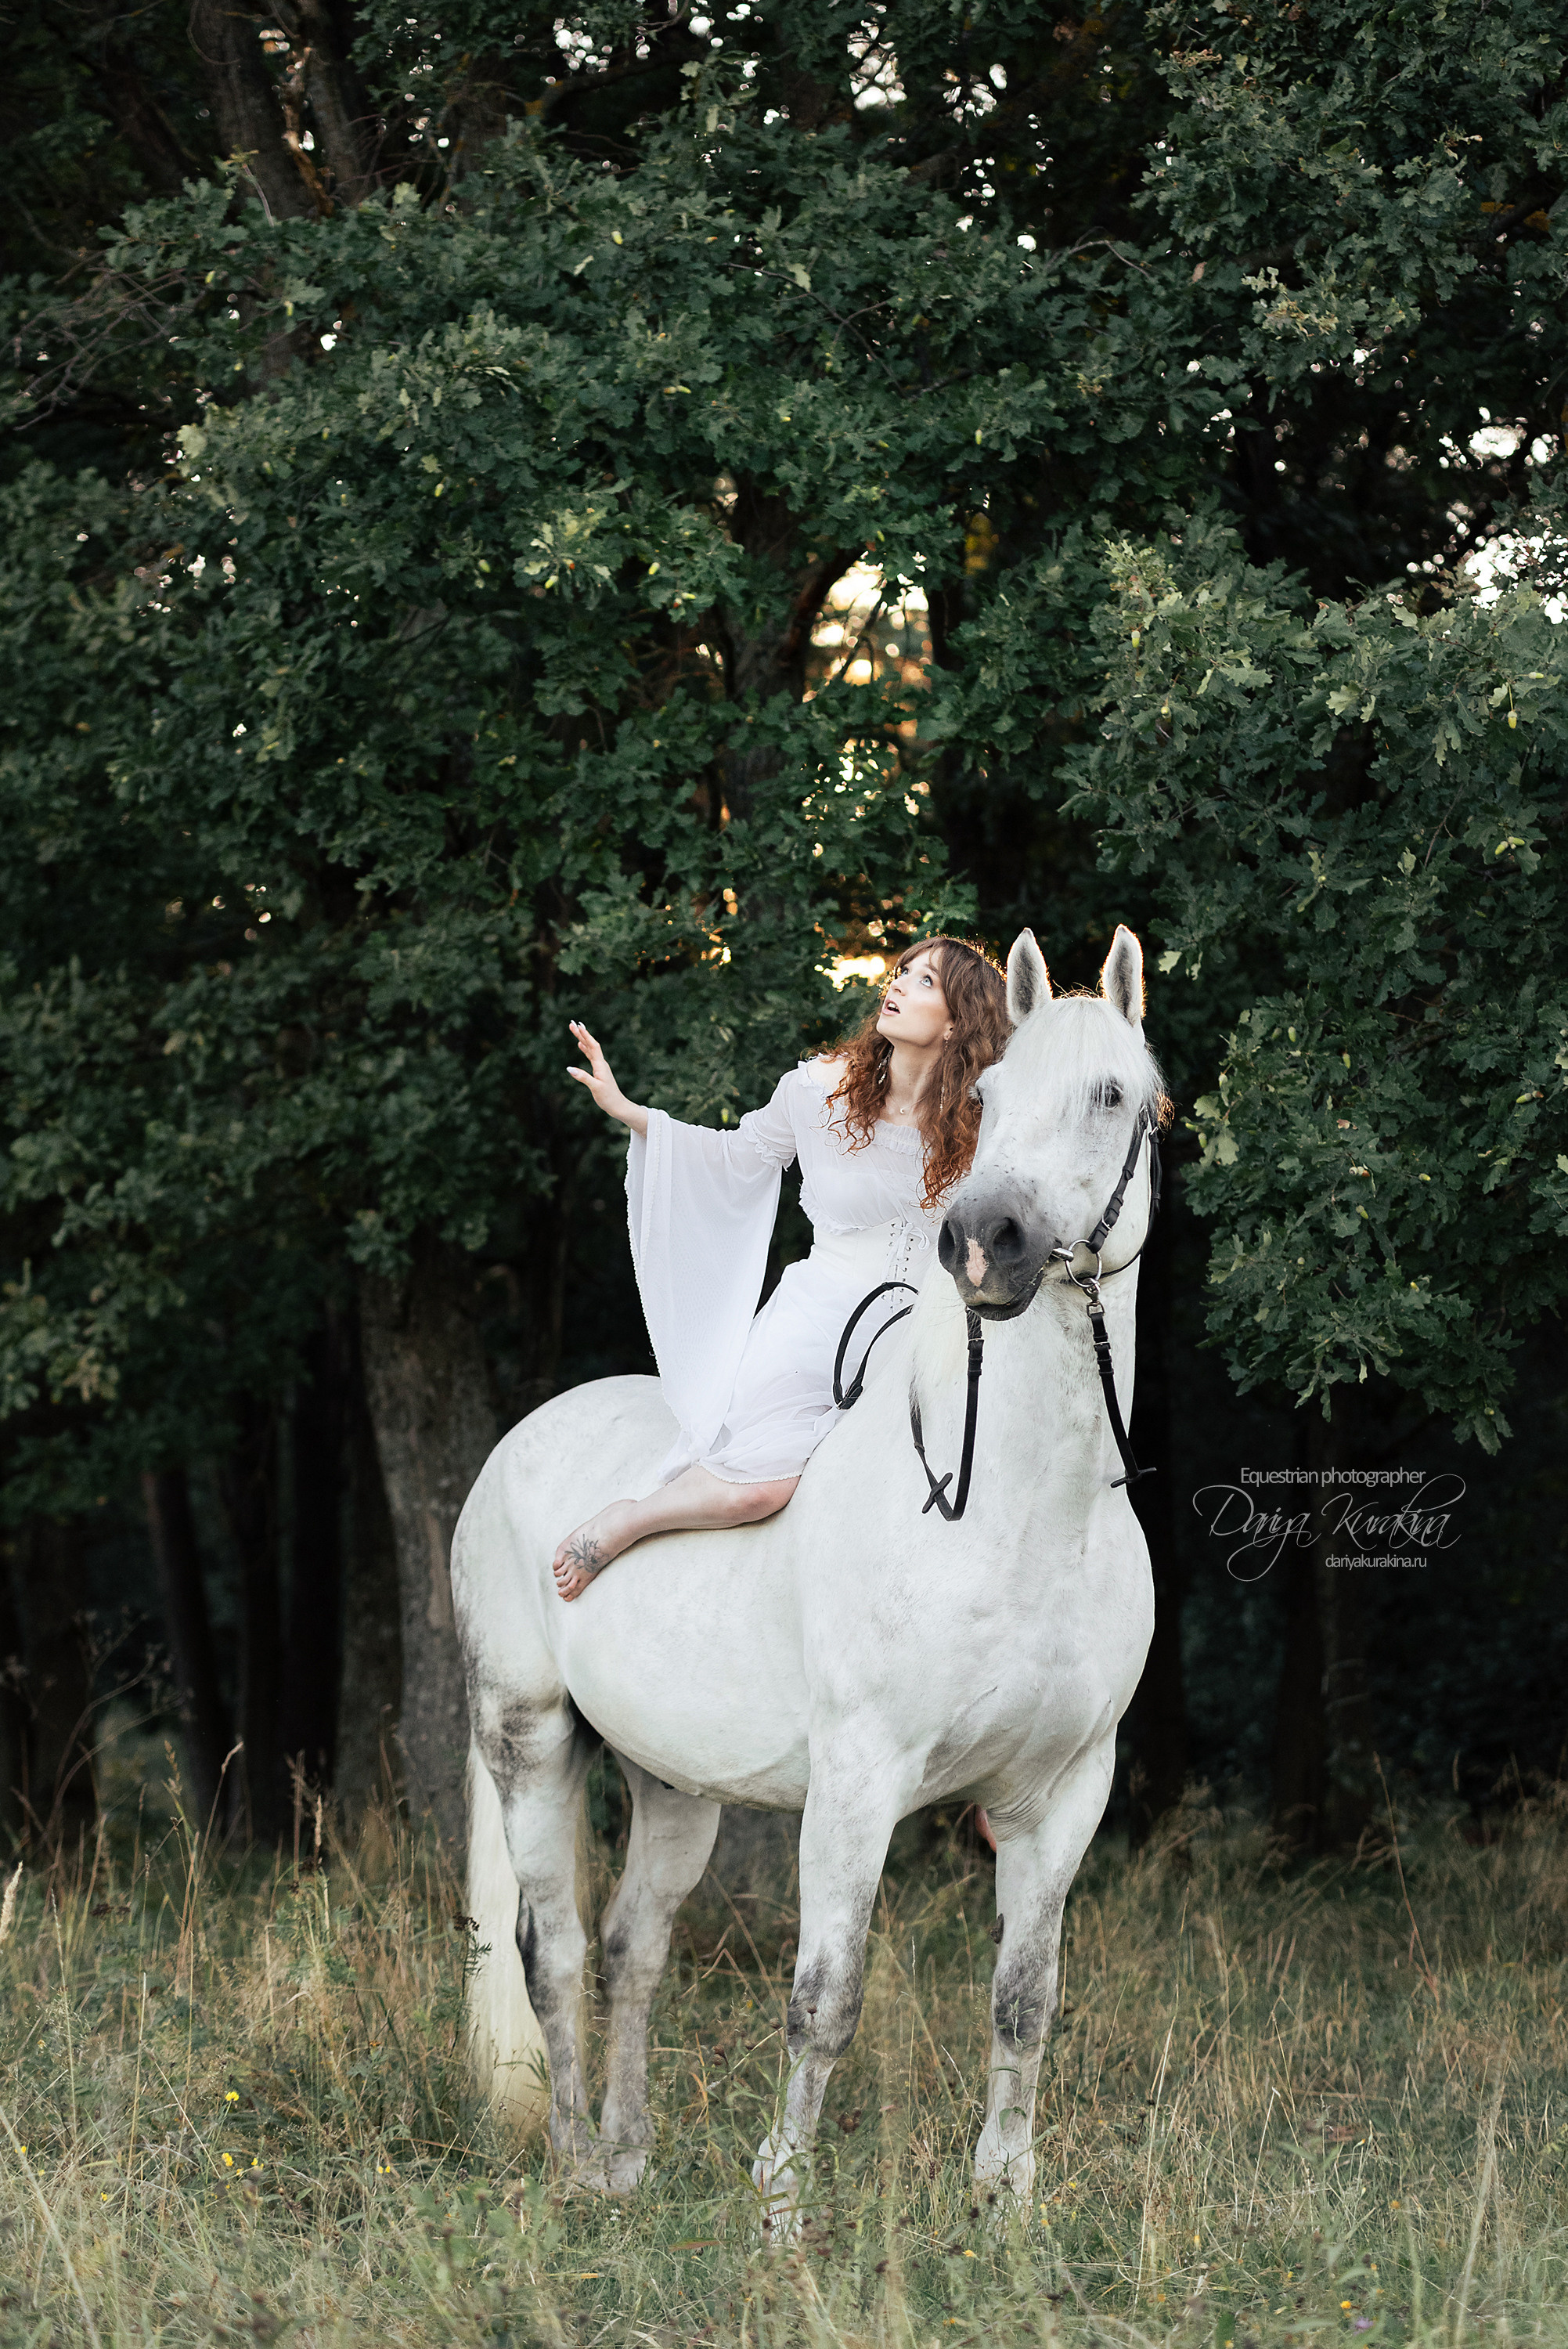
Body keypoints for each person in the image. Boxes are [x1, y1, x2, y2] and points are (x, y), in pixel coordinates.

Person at [553, 937, 1010, 1600]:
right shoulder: (818, 1091)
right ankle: (630, 1519)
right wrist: (635, 1116)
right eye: (901, 971)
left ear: (957, 1021)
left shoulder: (984, 1124)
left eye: (925, 982)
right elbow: (738, 1158)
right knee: (759, 1490)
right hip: (818, 1320)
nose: (900, 985)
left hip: (928, 1332)